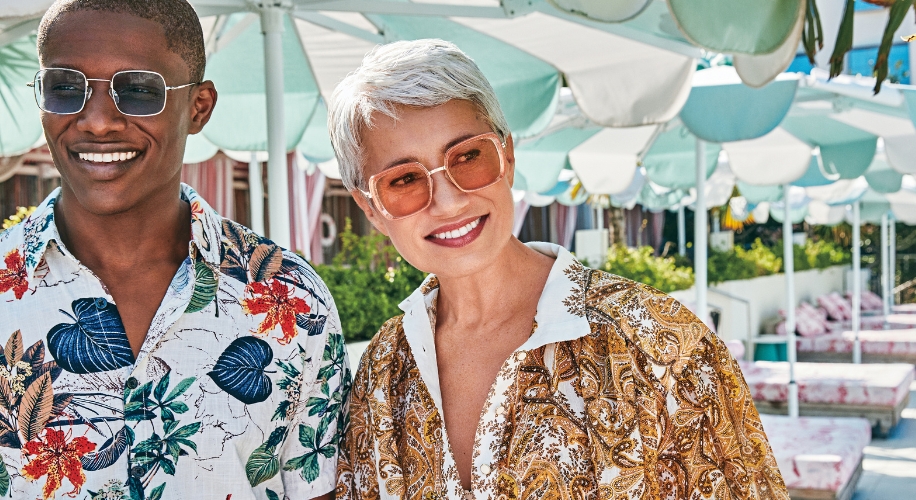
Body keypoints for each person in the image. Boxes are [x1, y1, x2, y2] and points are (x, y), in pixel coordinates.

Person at [331, 39, 788, 500]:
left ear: (507, 157)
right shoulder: (381, 372)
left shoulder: (660, 344)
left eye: (467, 156)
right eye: (405, 179)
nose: (449, 200)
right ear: (370, 209)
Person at [0, 1, 348, 499]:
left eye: (138, 91)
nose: (97, 121)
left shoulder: (290, 299)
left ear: (199, 108)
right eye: (65, 88)